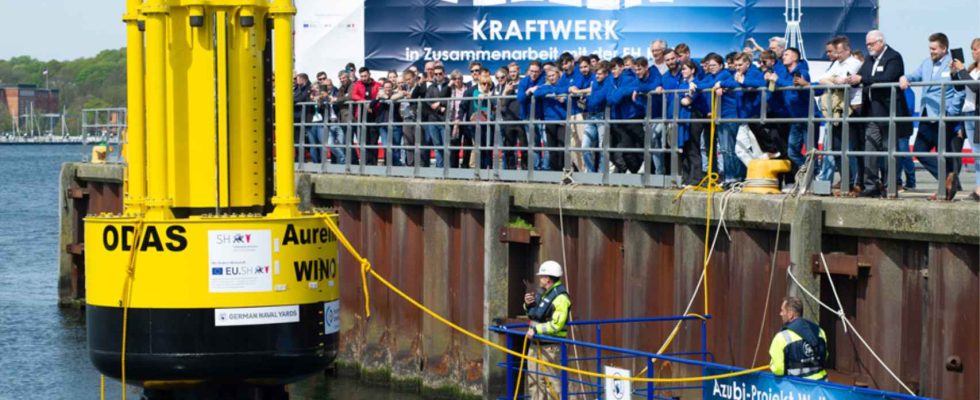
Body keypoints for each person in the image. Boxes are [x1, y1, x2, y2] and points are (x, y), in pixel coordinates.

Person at [900, 32, 966, 200]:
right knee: (919, 150)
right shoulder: (926, 63)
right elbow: (915, 75)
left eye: (934, 49)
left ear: (944, 49)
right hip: (926, 115)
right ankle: (949, 181)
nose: (931, 52)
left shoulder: (953, 64)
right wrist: (905, 78)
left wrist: (951, 112)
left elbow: (960, 91)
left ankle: (946, 188)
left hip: (943, 117)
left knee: (942, 154)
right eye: (930, 48)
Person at [848, 30, 912, 198]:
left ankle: (890, 184)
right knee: (870, 149)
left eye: (871, 44)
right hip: (871, 112)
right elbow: (864, 75)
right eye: (867, 44)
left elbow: (888, 78)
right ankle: (871, 185)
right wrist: (854, 80)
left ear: (881, 42)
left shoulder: (893, 57)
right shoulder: (869, 59)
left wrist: (862, 79)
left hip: (888, 112)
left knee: (889, 149)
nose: (868, 47)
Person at [523, 260, 571, 400]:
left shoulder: (561, 298)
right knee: (535, 381)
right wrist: (527, 304)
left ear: (548, 278)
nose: (539, 279)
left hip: (550, 347)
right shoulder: (543, 294)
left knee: (552, 384)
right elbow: (534, 313)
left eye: (541, 276)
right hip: (536, 345)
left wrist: (536, 329)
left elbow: (557, 324)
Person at [769, 296, 828, 381]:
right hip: (821, 387)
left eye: (782, 311)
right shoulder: (820, 331)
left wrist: (772, 365)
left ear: (790, 314)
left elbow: (778, 369)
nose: (780, 314)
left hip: (797, 389)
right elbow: (825, 357)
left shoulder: (781, 338)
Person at [950, 37, 980, 201]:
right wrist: (955, 73)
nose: (972, 52)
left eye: (975, 49)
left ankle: (979, 190)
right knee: (976, 153)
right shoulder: (971, 69)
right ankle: (978, 188)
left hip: (977, 114)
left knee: (979, 152)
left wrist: (962, 71)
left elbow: (976, 87)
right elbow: (961, 87)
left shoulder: (970, 71)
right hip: (968, 113)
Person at [607, 57, 644, 173]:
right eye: (611, 69)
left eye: (615, 68)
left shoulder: (628, 77)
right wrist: (621, 92)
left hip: (633, 116)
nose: (613, 71)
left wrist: (621, 92)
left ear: (622, 67)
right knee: (627, 149)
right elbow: (609, 98)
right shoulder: (612, 80)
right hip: (622, 119)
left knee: (639, 145)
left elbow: (638, 87)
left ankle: (644, 170)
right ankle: (634, 172)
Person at [533, 64, 568, 171]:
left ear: (558, 75)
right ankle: (554, 171)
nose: (552, 78)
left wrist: (563, 99)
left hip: (562, 120)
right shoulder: (545, 87)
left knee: (562, 146)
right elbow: (537, 93)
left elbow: (568, 93)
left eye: (553, 75)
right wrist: (553, 93)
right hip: (549, 120)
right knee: (551, 147)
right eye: (549, 76)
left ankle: (562, 169)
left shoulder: (563, 86)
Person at [583, 61, 611, 173]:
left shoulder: (609, 82)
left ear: (606, 74)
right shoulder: (594, 82)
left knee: (602, 147)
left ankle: (602, 174)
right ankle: (590, 173)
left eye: (599, 74)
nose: (597, 76)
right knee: (584, 147)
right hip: (590, 116)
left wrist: (590, 100)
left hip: (602, 115)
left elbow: (600, 97)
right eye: (596, 74)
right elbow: (592, 98)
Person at [518, 61, 546, 170]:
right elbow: (520, 98)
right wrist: (528, 92)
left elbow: (546, 87)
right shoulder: (524, 81)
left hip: (542, 116)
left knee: (547, 144)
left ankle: (546, 168)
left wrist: (537, 88)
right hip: (528, 116)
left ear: (540, 71)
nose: (533, 74)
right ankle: (536, 168)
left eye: (536, 71)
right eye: (531, 71)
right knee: (533, 144)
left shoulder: (543, 78)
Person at [351, 67, 383, 165]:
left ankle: (373, 164)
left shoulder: (377, 85)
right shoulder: (357, 84)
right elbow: (354, 95)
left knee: (373, 141)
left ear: (369, 74)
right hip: (361, 116)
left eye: (365, 76)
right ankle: (365, 164)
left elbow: (380, 96)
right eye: (362, 76)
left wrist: (372, 105)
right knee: (363, 141)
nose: (364, 78)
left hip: (374, 115)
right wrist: (365, 102)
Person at [425, 65, 452, 168]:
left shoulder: (449, 85)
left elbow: (451, 97)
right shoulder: (431, 87)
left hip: (445, 119)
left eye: (440, 73)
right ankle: (440, 169)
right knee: (437, 147)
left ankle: (447, 170)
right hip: (433, 119)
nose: (438, 76)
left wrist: (440, 103)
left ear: (444, 73)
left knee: (446, 146)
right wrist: (439, 107)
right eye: (435, 74)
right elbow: (428, 102)